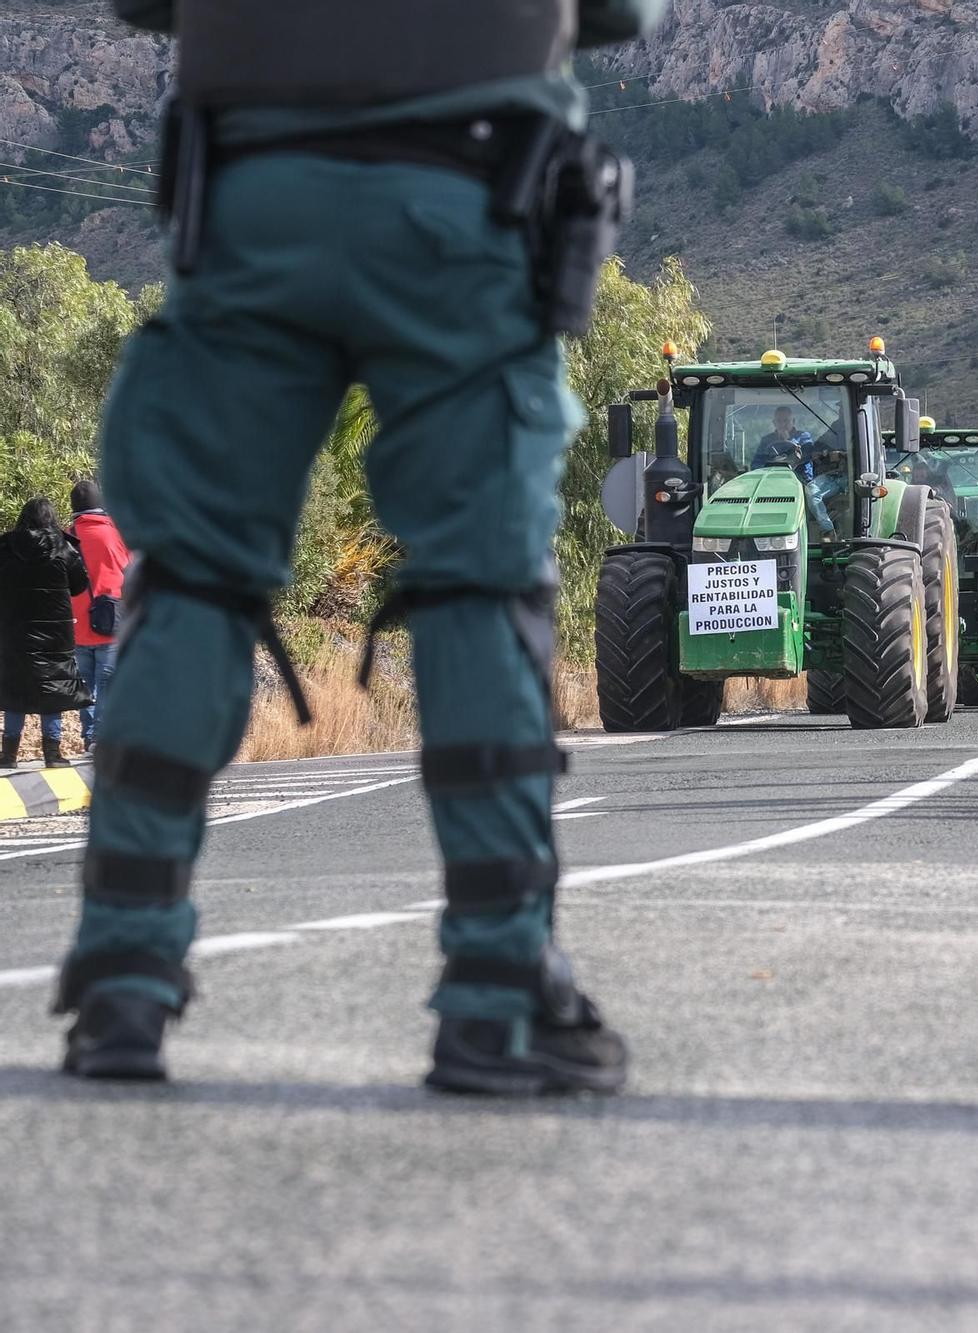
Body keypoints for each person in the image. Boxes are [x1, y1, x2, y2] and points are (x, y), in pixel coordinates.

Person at [52, 0, 667, 1088]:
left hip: (250, 194)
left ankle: (120, 986)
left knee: (191, 579)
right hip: (470, 198)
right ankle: (496, 997)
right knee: (482, 587)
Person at [0, 497, 91, 769]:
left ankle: (8, 755)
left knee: (15, 689)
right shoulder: (64, 548)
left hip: (15, 630)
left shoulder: (6, 547)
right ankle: (52, 753)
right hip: (56, 632)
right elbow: (78, 587)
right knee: (54, 687)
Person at [68, 479, 130, 754]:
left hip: (77, 624)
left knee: (85, 685)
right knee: (107, 682)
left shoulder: (66, 537)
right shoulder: (115, 535)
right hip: (110, 621)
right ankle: (99, 738)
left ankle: (89, 736)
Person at [752, 406, 815, 471]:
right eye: (779, 421)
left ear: (793, 421)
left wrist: (789, 440)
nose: (782, 424)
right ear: (774, 423)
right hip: (773, 476)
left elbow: (807, 457)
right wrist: (772, 462)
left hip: (800, 477)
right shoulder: (766, 441)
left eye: (786, 420)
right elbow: (756, 464)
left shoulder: (803, 437)